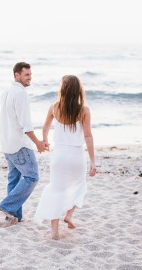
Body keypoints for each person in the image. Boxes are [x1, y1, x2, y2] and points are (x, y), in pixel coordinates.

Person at [34, 75, 96, 239]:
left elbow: (45, 126)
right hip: (76, 155)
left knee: (56, 189)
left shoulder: (55, 107)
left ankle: (54, 231)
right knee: (80, 185)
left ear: (62, 89)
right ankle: (69, 214)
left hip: (59, 155)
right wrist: (93, 161)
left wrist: (45, 141)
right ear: (78, 90)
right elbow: (88, 136)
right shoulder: (84, 110)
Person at [0, 62, 48, 225]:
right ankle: (8, 206)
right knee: (32, 176)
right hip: (19, 145)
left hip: (7, 143)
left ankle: (14, 217)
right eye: (26, 75)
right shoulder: (20, 93)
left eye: (30, 75)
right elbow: (25, 125)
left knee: (14, 179)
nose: (29, 78)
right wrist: (38, 143)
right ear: (17, 75)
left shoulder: (7, 91)